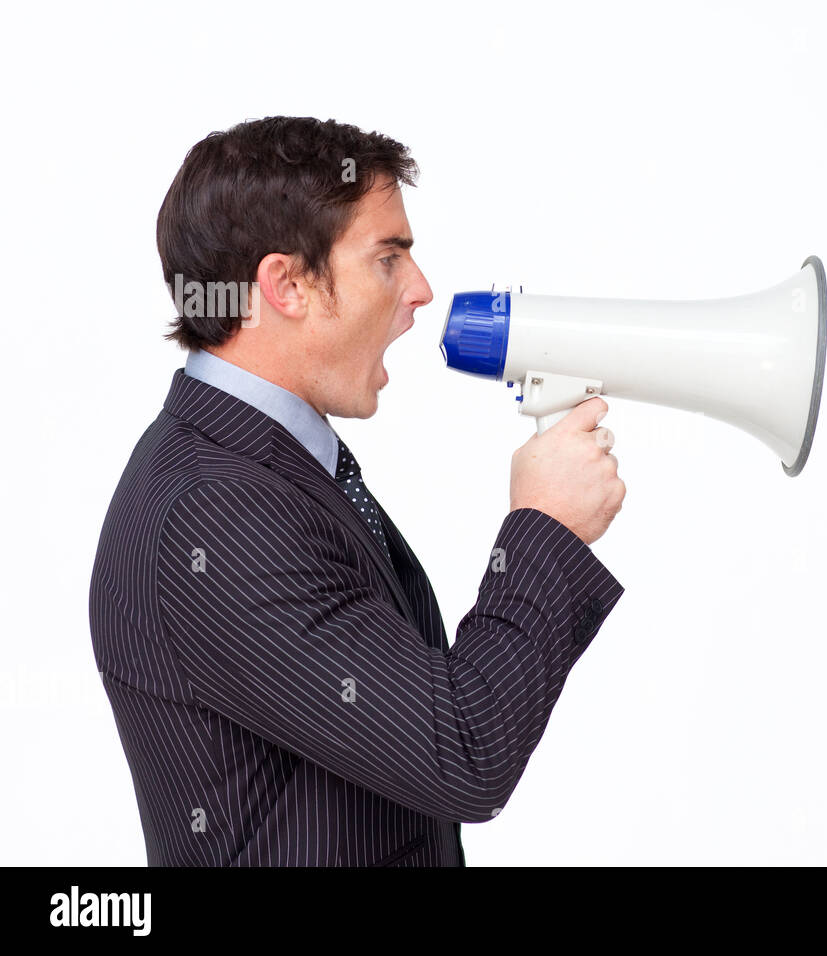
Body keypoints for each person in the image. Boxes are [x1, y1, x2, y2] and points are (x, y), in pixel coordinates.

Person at [88, 116, 626, 866]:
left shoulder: (254, 468)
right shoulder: (215, 513)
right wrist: (545, 529)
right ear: (286, 284)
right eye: (388, 258)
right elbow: (463, 752)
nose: (421, 289)